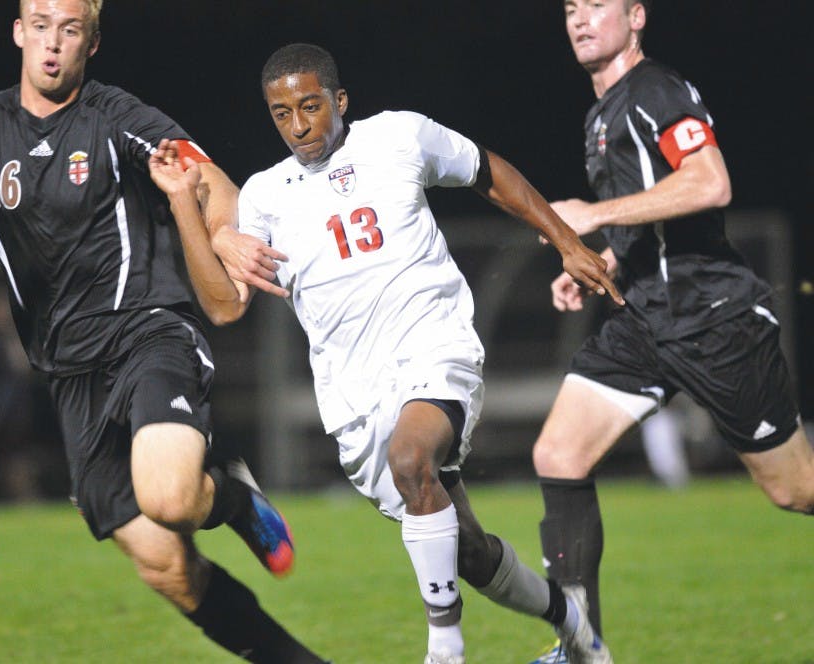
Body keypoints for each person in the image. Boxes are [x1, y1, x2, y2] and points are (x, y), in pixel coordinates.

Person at [147, 43, 622, 664]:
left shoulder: (399, 136)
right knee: (467, 551)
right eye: (281, 114)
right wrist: (185, 203)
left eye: (311, 107)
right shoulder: (264, 197)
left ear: (340, 101)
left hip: (434, 345)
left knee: (411, 454)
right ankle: (575, 626)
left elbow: (489, 172)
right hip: (354, 393)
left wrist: (565, 241)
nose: (299, 126)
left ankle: (444, 652)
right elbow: (224, 306)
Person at [0, 2, 329, 662]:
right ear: (20, 31)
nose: (54, 43)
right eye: (42, 25)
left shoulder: (116, 117)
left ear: (93, 41)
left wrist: (225, 230)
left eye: (71, 30)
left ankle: (228, 496)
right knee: (166, 567)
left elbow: (207, 180)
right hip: (67, 374)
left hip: (148, 330)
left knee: (169, 497)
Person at [530, 0, 814, 659]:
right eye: (570, 7)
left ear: (636, 17)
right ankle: (581, 649)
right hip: (644, 320)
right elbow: (649, 223)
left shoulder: (655, 91)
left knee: (794, 491)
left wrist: (594, 214)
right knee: (558, 455)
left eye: (597, 5)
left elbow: (710, 183)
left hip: (716, 321)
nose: (579, 18)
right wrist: (598, 262)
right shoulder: (601, 113)